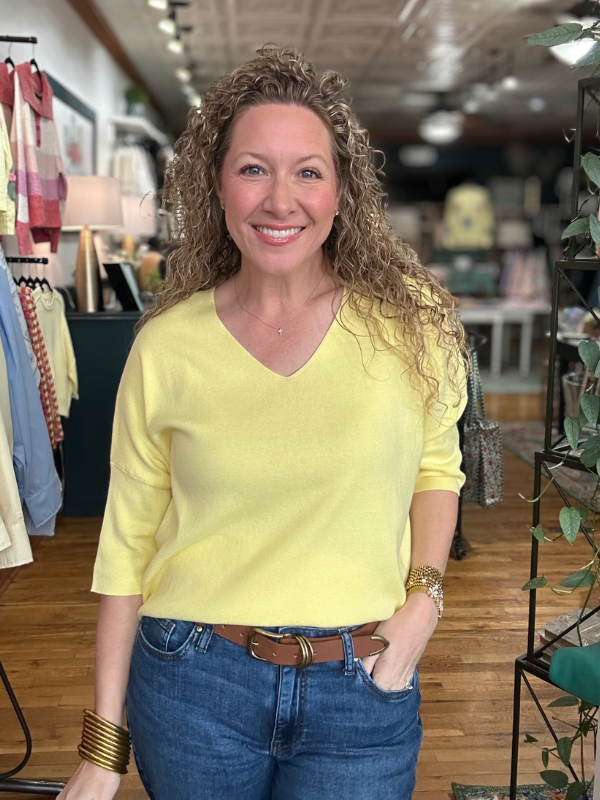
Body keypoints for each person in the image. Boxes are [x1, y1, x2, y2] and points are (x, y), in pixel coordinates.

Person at [58, 45, 468, 800]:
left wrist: (423, 604)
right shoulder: (167, 346)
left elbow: (436, 471)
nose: (280, 200)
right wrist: (102, 746)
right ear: (217, 186)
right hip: (191, 687)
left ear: (342, 192)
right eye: (253, 168)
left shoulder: (412, 326)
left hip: (363, 685)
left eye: (307, 171)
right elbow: (125, 546)